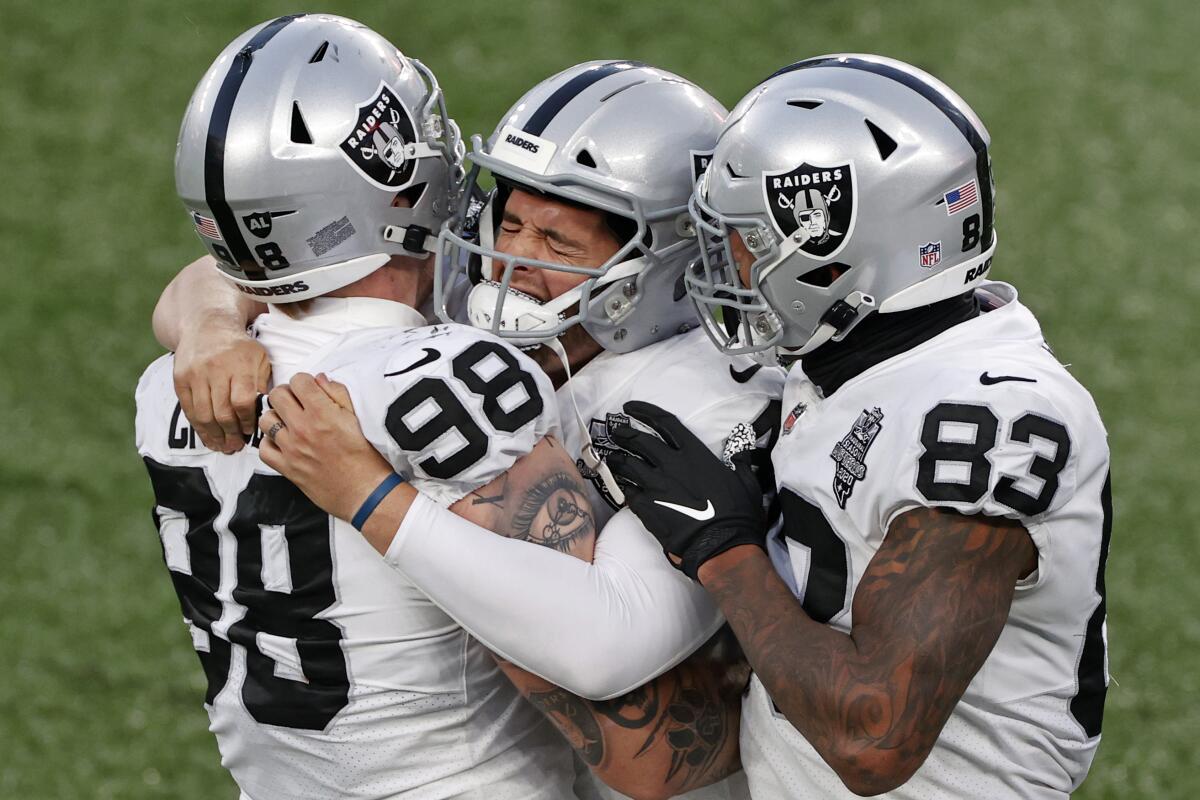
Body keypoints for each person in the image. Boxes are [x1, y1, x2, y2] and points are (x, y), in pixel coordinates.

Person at [162, 61, 785, 799]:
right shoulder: (471, 314)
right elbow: (235, 267)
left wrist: (370, 494)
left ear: (669, 261)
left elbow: (612, 647)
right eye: (509, 222)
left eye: (559, 246)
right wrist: (209, 331)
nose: (512, 264)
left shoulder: (714, 399)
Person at [606, 54, 1112, 798]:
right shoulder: (858, 357)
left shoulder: (990, 418)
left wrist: (723, 546)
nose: (729, 263)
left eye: (746, 237)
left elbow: (873, 737)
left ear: (835, 250)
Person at [137, 15, 602, 799]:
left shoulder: (170, 385)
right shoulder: (448, 375)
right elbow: (599, 650)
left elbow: (214, 288)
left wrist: (214, 318)